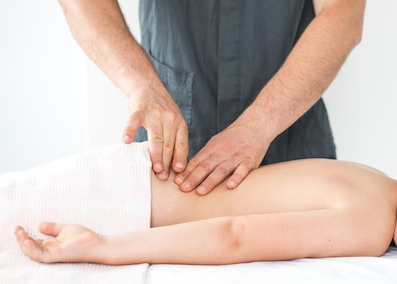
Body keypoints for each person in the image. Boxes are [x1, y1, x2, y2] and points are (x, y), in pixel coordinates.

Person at [57, 0, 366, 195]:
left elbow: (344, 12)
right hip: (169, 146)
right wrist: (141, 85)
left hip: (289, 143)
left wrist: (258, 126)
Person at [14, 156, 397, 265]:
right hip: (125, 208)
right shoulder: (367, 223)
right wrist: (106, 247)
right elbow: (233, 235)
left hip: (128, 177)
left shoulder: (369, 177)